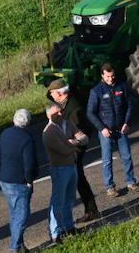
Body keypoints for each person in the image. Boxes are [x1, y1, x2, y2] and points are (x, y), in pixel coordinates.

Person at [47, 79, 98, 225]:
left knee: (75, 180)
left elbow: (78, 132)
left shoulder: (74, 108)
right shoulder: (65, 103)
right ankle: (91, 210)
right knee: (78, 179)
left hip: (74, 149)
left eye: (52, 93)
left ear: (60, 93)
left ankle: (89, 211)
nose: (51, 96)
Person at [85, 63, 139, 197]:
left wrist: (127, 123)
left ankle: (131, 182)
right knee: (107, 160)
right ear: (102, 75)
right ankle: (110, 187)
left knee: (127, 157)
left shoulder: (122, 86)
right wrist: (102, 128)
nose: (111, 78)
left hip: (121, 130)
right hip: (106, 132)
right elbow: (90, 113)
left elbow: (130, 105)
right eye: (108, 76)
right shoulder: (96, 91)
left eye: (113, 75)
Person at [42, 103, 85, 243]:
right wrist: (74, 144)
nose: (60, 114)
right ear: (49, 115)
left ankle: (69, 226)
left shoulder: (67, 124)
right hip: (59, 169)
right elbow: (64, 150)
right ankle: (55, 233)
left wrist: (72, 142)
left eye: (61, 112)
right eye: (57, 113)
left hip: (72, 166)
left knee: (70, 198)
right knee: (58, 201)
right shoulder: (48, 132)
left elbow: (84, 138)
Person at [0, 109, 36, 252]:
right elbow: (29, 164)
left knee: (14, 213)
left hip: (4, 179)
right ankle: (15, 247)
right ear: (28, 122)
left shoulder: (5, 133)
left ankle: (19, 245)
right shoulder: (26, 138)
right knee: (22, 216)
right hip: (19, 182)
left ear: (14, 119)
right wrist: (29, 181)